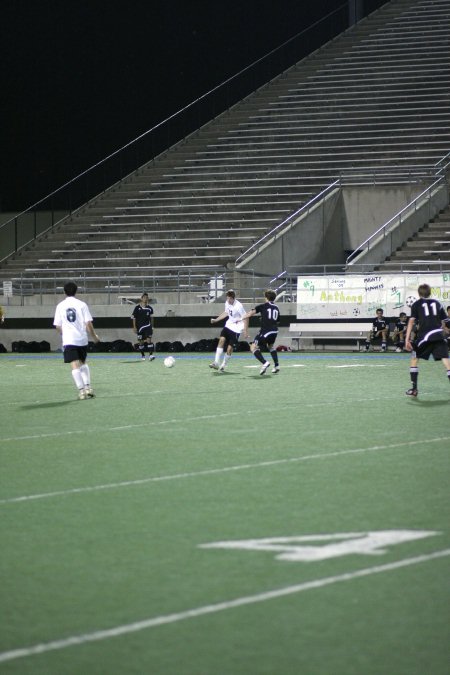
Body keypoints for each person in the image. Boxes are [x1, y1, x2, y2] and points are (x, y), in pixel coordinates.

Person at [54, 281, 100, 400]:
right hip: (81, 339)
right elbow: (88, 323)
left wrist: (65, 334)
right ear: (76, 291)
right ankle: (88, 387)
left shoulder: (60, 306)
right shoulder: (82, 305)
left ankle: (81, 391)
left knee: (74, 365)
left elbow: (58, 326)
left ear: (64, 292)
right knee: (83, 362)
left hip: (69, 339)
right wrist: (94, 336)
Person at [404, 284, 450, 397]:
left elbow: (411, 322)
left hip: (425, 336)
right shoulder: (438, 303)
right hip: (439, 335)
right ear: (430, 292)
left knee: (414, 359)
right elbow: (447, 321)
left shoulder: (416, 304)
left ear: (419, 294)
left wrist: (407, 339)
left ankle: (414, 389)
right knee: (446, 362)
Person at [209, 289, 249, 371]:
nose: (228, 300)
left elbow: (246, 318)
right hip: (228, 325)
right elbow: (226, 312)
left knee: (229, 348)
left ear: (233, 298)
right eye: (227, 298)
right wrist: (216, 320)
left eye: (229, 298)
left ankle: (224, 364)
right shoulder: (227, 302)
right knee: (221, 340)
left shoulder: (239, 306)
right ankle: (216, 362)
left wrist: (245, 331)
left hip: (237, 328)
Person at [243, 289, 281, 375]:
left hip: (265, 331)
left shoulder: (263, 306)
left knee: (253, 347)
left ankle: (264, 363)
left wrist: (242, 317)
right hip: (274, 331)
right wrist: (264, 318)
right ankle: (277, 366)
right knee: (271, 346)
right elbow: (277, 320)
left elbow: (249, 314)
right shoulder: (276, 307)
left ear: (266, 297)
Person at [132, 292, 155, 361]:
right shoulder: (137, 308)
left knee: (149, 341)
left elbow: (152, 318)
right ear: (141, 298)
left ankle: (151, 355)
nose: (145, 299)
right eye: (144, 297)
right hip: (140, 328)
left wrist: (152, 327)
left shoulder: (150, 308)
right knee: (141, 343)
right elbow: (134, 318)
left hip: (148, 327)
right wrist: (134, 327)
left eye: (146, 297)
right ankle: (143, 355)